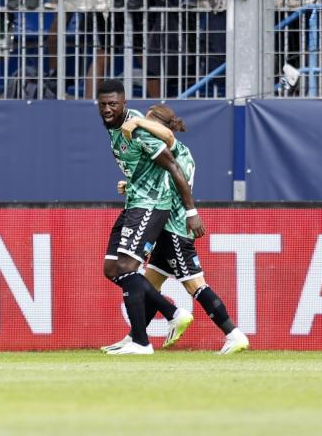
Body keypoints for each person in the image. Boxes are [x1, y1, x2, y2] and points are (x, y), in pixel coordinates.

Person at [101, 105, 249, 355]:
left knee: (195, 286)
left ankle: (233, 334)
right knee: (147, 284)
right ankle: (135, 337)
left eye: (149, 126)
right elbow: (158, 183)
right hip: (168, 227)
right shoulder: (184, 152)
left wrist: (191, 214)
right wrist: (132, 185)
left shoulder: (169, 151)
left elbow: (165, 189)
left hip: (174, 229)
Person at [96, 80, 202, 355]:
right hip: (134, 203)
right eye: (103, 104)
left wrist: (191, 212)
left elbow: (174, 166)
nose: (107, 109)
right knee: (112, 269)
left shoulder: (139, 130)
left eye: (113, 104)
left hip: (152, 205)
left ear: (124, 104)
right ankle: (170, 313)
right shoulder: (113, 126)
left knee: (128, 267)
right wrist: (129, 184)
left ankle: (141, 341)